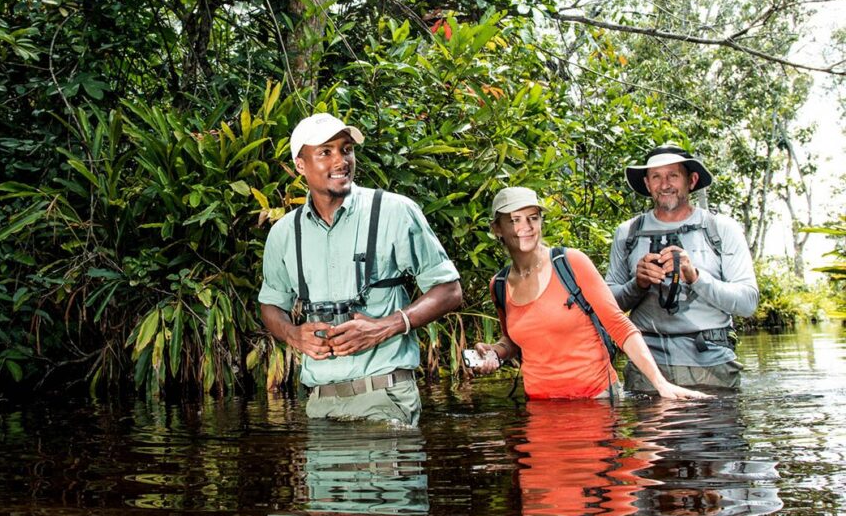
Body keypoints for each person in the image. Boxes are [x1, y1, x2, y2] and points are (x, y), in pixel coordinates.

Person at [258, 113, 462, 426]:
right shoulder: (284, 233)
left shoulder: (395, 211)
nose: (341, 161)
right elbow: (271, 305)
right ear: (300, 165)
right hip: (319, 404)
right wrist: (292, 334)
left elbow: (449, 291)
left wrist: (387, 326)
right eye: (326, 152)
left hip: (388, 394)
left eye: (347, 149)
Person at [470, 186, 706, 400]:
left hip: (596, 399)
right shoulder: (499, 285)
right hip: (542, 411)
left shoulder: (570, 262)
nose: (526, 228)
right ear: (497, 229)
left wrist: (660, 384)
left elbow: (619, 325)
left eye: (533, 218)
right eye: (515, 220)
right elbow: (512, 341)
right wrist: (495, 353)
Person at [605, 144, 758, 392]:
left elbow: (748, 303)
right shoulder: (627, 233)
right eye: (656, 176)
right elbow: (608, 304)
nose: (665, 184)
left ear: (692, 180)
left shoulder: (721, 229)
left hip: (712, 363)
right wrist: (638, 284)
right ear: (647, 183)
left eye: (673, 175)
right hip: (648, 367)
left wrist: (695, 276)